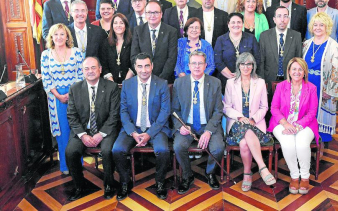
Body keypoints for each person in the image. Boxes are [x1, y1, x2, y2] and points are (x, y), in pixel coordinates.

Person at [112, 53, 171, 200]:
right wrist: (132, 132)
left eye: (146, 66)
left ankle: (160, 182)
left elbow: (165, 112)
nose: (143, 70)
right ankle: (125, 182)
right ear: (135, 67)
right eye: (140, 66)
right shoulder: (127, 84)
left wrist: (149, 133)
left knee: (163, 150)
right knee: (117, 150)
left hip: (155, 128)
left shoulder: (162, 84)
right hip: (133, 128)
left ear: (152, 66)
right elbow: (123, 111)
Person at [65, 57, 120, 201]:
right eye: (87, 69)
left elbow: (114, 116)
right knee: (70, 152)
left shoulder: (111, 87)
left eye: (93, 68)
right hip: (84, 131)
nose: (90, 71)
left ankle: (109, 185)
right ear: (82, 71)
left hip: (105, 130)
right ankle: (79, 186)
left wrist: (101, 134)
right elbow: (71, 116)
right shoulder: (75, 89)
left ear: (100, 70)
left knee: (108, 151)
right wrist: (83, 135)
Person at [172, 51, 225, 194]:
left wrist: (208, 131)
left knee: (218, 148)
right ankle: (187, 176)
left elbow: (218, 111)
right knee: (178, 146)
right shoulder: (179, 83)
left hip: (207, 124)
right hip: (187, 125)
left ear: (205, 65)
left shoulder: (215, 83)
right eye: (193, 63)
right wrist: (180, 126)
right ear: (188, 65)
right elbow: (174, 110)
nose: (197, 66)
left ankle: (210, 173)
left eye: (200, 63)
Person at [223, 52, 275, 192]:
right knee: (245, 130)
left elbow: (264, 107)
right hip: (236, 123)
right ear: (238, 66)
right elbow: (226, 107)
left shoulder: (260, 83)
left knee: (244, 142)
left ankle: (247, 174)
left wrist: (253, 119)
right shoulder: (230, 83)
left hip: (255, 123)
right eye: (243, 64)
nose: (246, 67)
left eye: (249, 64)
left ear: (253, 66)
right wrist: (240, 117)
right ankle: (262, 167)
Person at [268, 57, 319, 195]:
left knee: (302, 144)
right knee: (288, 143)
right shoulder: (281, 86)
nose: (297, 72)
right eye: (294, 69)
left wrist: (297, 125)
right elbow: (274, 108)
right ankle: (295, 176)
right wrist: (285, 123)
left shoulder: (311, 88)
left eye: (300, 69)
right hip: (281, 123)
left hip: (305, 123)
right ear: (289, 71)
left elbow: (312, 112)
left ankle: (305, 177)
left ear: (304, 72)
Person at [41, 23, 84, 175]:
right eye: (56, 34)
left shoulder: (77, 53)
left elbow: (81, 75)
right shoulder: (46, 55)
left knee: (76, 130)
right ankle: (65, 166)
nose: (59, 37)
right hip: (56, 99)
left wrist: (71, 95)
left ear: (67, 36)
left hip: (76, 96)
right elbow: (46, 79)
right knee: (63, 132)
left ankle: (78, 163)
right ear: (51, 37)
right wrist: (59, 95)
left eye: (62, 34)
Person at [303, 12, 338, 142]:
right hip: (307, 84)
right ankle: (307, 140)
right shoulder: (306, 44)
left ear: (327, 27)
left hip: (323, 85)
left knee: (320, 115)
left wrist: (329, 90)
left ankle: (321, 145)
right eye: (315, 25)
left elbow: (336, 70)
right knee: (307, 112)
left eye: (321, 25)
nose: (318, 28)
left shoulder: (334, 46)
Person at [130, 1, 178, 83]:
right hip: (143, 79)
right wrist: (144, 76)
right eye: (149, 12)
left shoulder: (171, 31)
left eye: (156, 12)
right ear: (145, 14)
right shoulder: (138, 30)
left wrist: (161, 79)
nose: (152, 15)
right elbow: (134, 56)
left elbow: (172, 58)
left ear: (161, 14)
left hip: (164, 80)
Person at [258, 6, 302, 93]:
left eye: (285, 16)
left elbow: (299, 60)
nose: (282, 19)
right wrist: (262, 81)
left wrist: (297, 81)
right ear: (274, 19)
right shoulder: (264, 36)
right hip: (269, 80)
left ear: (289, 19)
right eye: (279, 16)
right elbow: (261, 60)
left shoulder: (296, 36)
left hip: (289, 80)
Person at [214, 12, 260, 92]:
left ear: (242, 24)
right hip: (226, 80)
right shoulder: (220, 39)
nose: (236, 25)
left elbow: (257, 59)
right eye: (233, 22)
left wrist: (244, 74)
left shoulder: (251, 38)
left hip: (248, 79)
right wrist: (230, 75)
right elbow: (218, 61)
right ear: (228, 24)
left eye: (239, 22)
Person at [100, 13, 134, 84]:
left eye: (121, 23)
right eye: (115, 23)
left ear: (126, 25)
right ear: (112, 26)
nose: (118, 25)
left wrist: (125, 82)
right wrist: (112, 83)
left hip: (130, 82)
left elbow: (134, 63)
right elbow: (104, 65)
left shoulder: (132, 42)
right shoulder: (106, 43)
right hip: (110, 83)